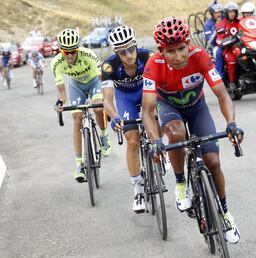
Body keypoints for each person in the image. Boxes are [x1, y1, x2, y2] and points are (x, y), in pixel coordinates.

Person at [141, 17, 243, 244]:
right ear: (161, 51)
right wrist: (156, 139)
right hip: (168, 107)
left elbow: (222, 94)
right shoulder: (153, 65)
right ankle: (180, 184)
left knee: (213, 161)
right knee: (176, 134)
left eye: (181, 49)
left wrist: (231, 123)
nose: (177, 56)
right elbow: (147, 111)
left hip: (197, 108)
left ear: (188, 44)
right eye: (170, 51)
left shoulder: (199, 56)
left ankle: (225, 214)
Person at [101, 25, 152, 213]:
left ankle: (158, 144)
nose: (129, 54)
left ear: (136, 44)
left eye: (131, 48)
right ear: (116, 52)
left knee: (157, 117)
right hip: (125, 98)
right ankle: (138, 189)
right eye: (122, 52)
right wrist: (114, 117)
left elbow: (161, 86)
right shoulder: (109, 66)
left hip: (146, 92)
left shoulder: (148, 57)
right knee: (132, 140)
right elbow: (107, 99)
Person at [52, 29, 111, 183]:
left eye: (73, 51)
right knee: (77, 120)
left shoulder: (88, 54)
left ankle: (104, 135)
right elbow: (62, 93)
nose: (70, 55)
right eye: (66, 52)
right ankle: (79, 164)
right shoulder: (56, 63)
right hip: (76, 86)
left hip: (94, 82)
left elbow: (102, 79)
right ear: (61, 51)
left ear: (77, 49)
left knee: (98, 107)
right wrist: (59, 103)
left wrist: (107, 100)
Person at [216, 2, 242, 91]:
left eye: (233, 12)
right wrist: (225, 42)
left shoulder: (239, 22)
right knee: (232, 61)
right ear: (226, 13)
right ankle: (232, 82)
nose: (232, 14)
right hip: (228, 48)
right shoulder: (222, 24)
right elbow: (219, 39)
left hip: (240, 46)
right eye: (230, 12)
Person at [204, 3, 225, 79]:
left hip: (227, 42)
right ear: (212, 13)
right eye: (216, 13)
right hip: (215, 46)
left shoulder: (225, 19)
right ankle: (220, 77)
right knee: (219, 53)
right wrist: (216, 28)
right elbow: (210, 41)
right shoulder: (208, 24)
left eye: (219, 12)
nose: (218, 14)